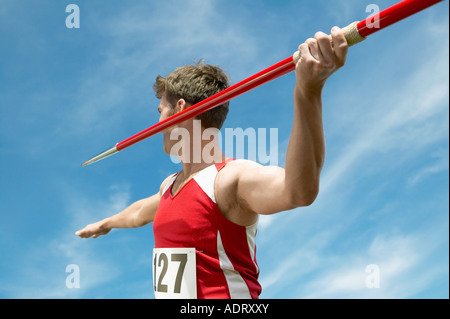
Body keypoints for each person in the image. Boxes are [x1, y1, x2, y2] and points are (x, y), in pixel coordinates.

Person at [76, 27, 348, 299]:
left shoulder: (230, 179)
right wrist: (105, 224)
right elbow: (137, 214)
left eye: (160, 111)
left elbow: (298, 191)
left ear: (180, 108)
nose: (157, 125)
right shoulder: (169, 187)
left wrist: (308, 91)